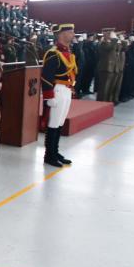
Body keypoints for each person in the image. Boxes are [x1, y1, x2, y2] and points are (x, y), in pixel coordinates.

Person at [41, 23, 77, 168]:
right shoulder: (53, 53)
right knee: (53, 124)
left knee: (60, 123)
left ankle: (55, 152)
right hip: (57, 91)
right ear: (62, 34)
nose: (73, 34)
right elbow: (46, 76)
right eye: (71, 32)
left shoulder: (68, 52)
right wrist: (49, 97)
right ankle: (49, 155)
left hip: (66, 89)